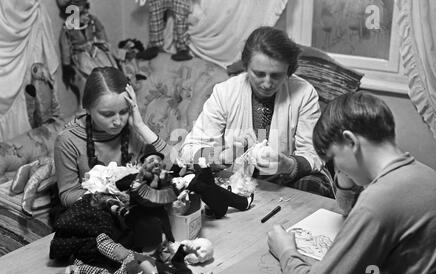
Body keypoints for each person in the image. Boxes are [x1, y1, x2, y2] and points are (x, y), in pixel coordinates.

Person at [267, 91, 436, 274]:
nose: (336, 167)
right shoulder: (425, 173)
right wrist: (347, 177)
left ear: (351, 142)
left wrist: (286, 252)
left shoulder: (380, 200)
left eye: (333, 158)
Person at [179, 26, 333, 198]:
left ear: (288, 71)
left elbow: (314, 153)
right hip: (235, 181)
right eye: (259, 74)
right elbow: (189, 150)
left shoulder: (304, 93)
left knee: (315, 184)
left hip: (285, 182)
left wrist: (288, 165)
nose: (267, 84)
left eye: (276, 75)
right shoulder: (225, 92)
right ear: (246, 66)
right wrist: (222, 157)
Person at [54, 66, 169, 208]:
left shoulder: (134, 129)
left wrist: (141, 126)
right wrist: (111, 197)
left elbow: (172, 167)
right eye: (107, 114)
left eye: (124, 111)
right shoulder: (68, 140)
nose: (118, 121)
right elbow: (67, 195)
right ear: (88, 109)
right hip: (94, 210)